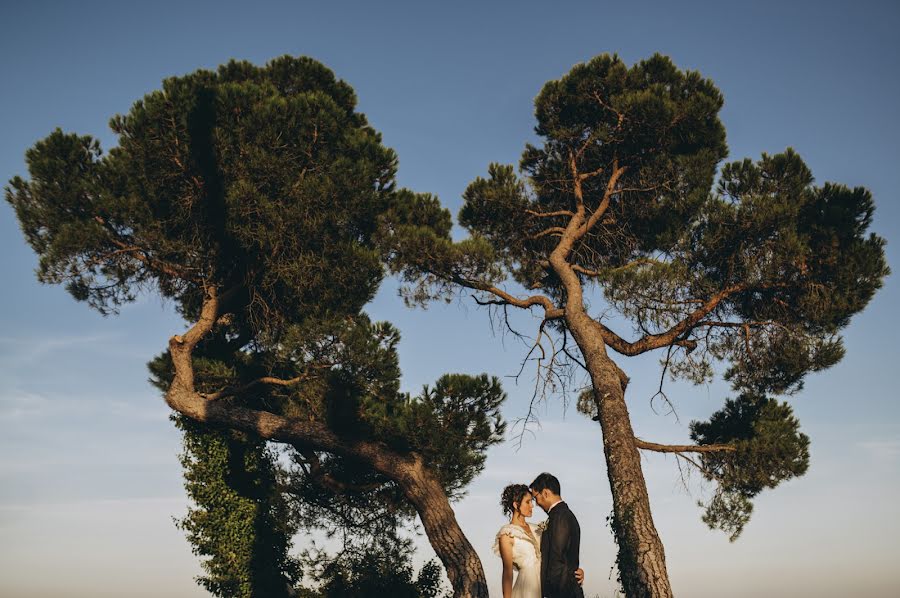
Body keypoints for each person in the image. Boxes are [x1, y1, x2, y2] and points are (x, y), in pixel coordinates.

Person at [493, 483, 584, 598]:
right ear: (516, 505)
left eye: (532, 501)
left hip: (546, 587)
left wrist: (574, 571)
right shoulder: (507, 534)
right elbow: (507, 573)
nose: (532, 505)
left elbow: (558, 552)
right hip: (526, 590)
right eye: (527, 502)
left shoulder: (537, 529)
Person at [531, 472, 585, 598]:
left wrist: (550, 593)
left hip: (563, 591)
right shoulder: (562, 514)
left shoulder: (560, 517)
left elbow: (557, 558)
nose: (536, 503)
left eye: (535, 497)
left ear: (545, 493)